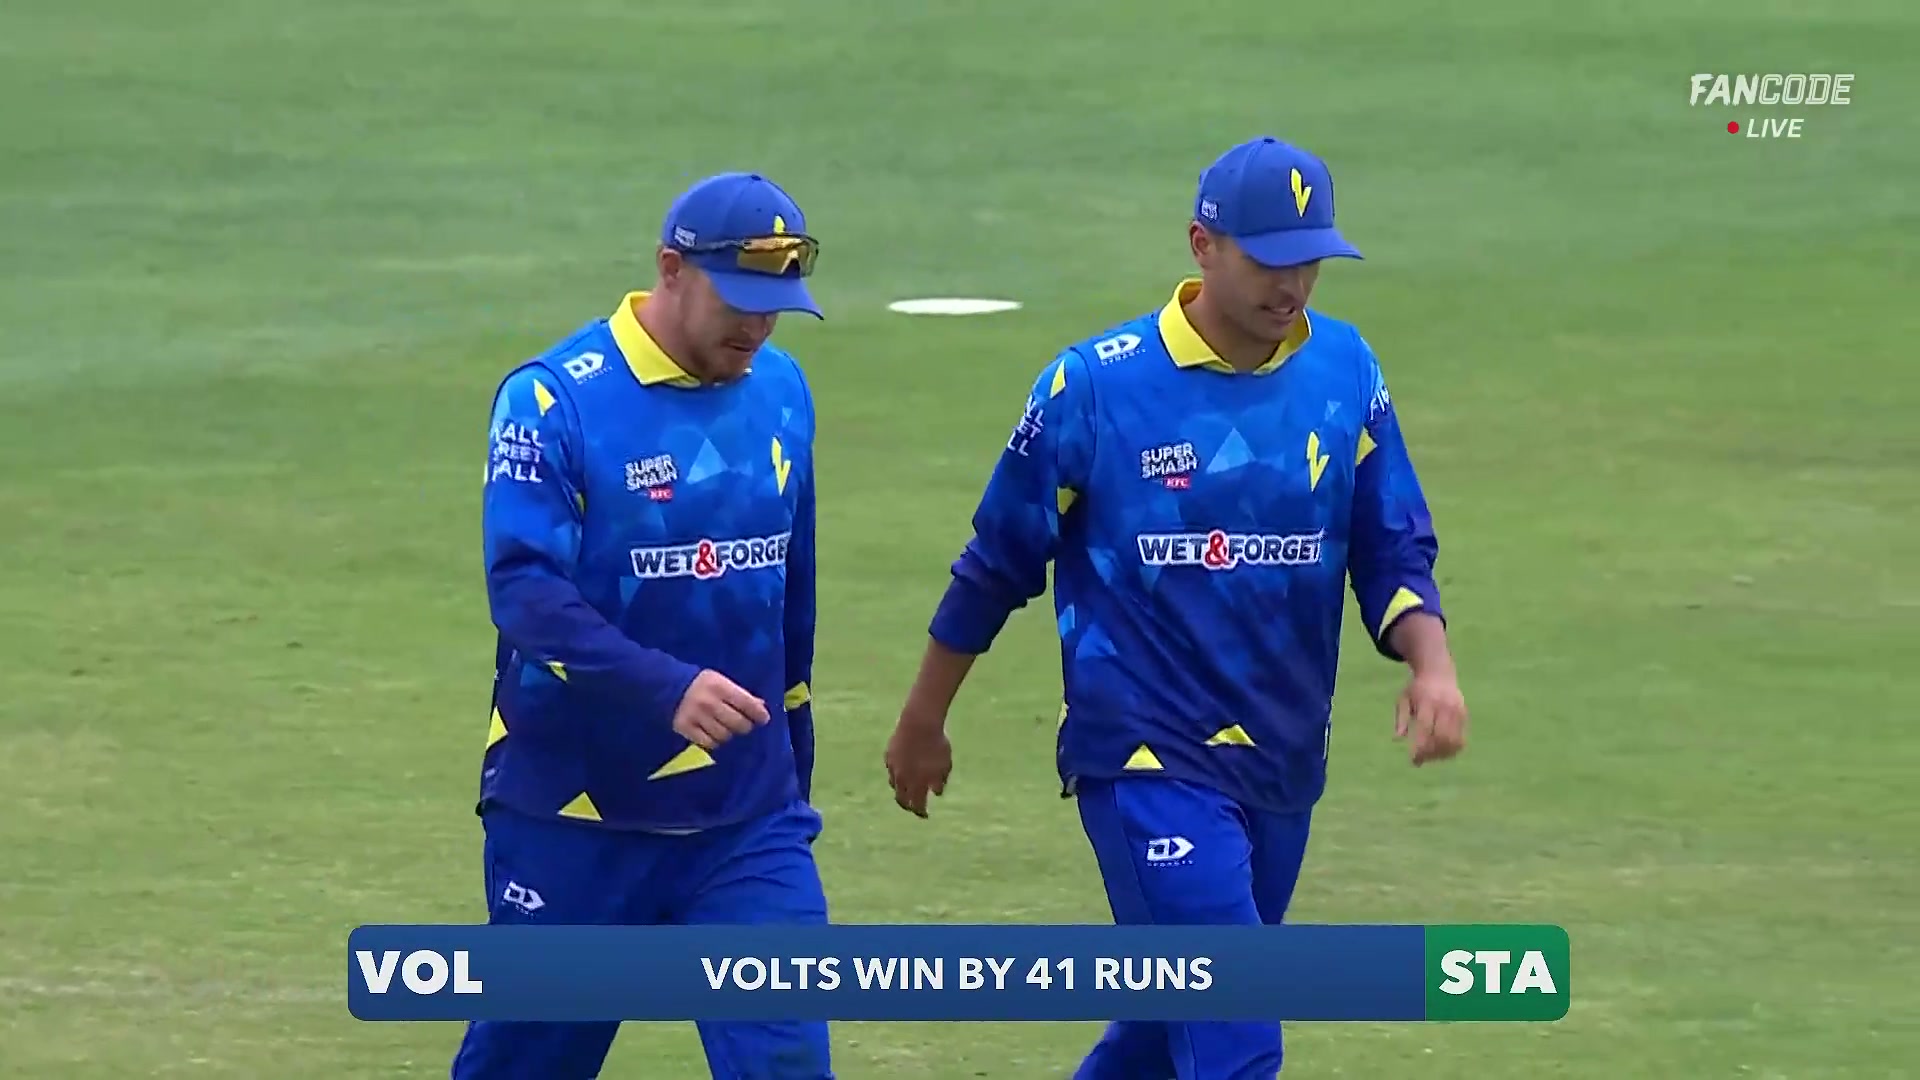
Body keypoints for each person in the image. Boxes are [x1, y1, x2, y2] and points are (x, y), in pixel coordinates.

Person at [882, 136, 1469, 1078]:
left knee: (1164, 1030)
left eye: (1310, 260)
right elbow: (996, 562)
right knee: (1236, 1025)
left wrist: (1430, 665)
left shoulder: (1345, 370)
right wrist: (924, 718)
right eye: (1269, 259)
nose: (1293, 284)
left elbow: (1391, 539)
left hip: (1281, 755)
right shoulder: (1095, 386)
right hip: (1143, 756)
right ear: (1203, 245)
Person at [453, 171, 833, 1080]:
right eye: (738, 303)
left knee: (786, 1064)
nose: (758, 329)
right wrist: (666, 688)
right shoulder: (554, 402)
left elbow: (792, 586)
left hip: (746, 821)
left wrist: (792, 763)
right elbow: (525, 592)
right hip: (576, 816)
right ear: (670, 269)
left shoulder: (781, 389)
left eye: (775, 310)